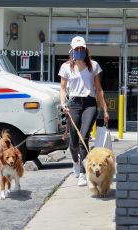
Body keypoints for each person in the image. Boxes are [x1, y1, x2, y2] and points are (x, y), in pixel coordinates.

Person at [58, 36, 109, 186]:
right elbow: (62, 88)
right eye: (77, 49)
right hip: (73, 104)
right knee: (73, 142)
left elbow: (99, 89)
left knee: (83, 137)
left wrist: (105, 109)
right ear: (72, 50)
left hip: (89, 104)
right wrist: (63, 103)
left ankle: (82, 172)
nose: (80, 51)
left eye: (82, 49)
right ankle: (75, 162)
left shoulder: (93, 66)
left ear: (86, 50)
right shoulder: (66, 67)